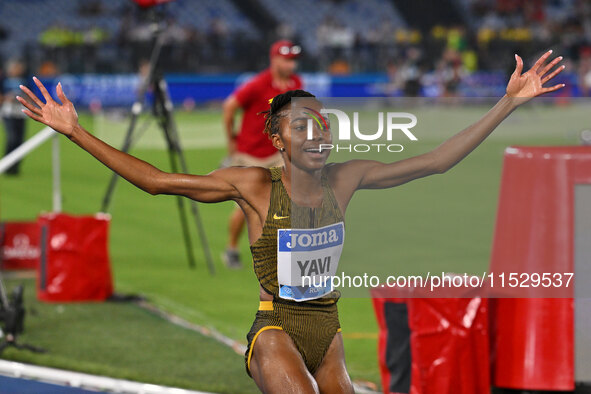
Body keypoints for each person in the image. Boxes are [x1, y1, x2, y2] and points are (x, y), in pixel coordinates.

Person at [17, 51, 564, 393]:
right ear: (278, 141)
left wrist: (507, 103)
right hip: (274, 328)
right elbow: (159, 182)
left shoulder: (346, 180)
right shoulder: (253, 185)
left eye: (322, 122)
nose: (318, 132)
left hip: (327, 333)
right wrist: (75, 131)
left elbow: (436, 161)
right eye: (302, 126)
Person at [221, 39, 303, 268]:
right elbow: (230, 106)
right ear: (274, 59)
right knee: (245, 206)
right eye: (287, 60)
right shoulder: (258, 84)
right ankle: (231, 248)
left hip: (278, 153)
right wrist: (232, 140)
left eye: (293, 61)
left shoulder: (296, 83)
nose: (291, 65)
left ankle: (285, 252)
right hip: (250, 154)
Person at [1, 59, 28, 175]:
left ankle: (15, 167)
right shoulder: (3, 80)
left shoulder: (25, 81)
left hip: (21, 113)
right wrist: (8, 98)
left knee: (20, 140)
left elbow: (31, 95)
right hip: (8, 112)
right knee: (12, 139)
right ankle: (7, 164)